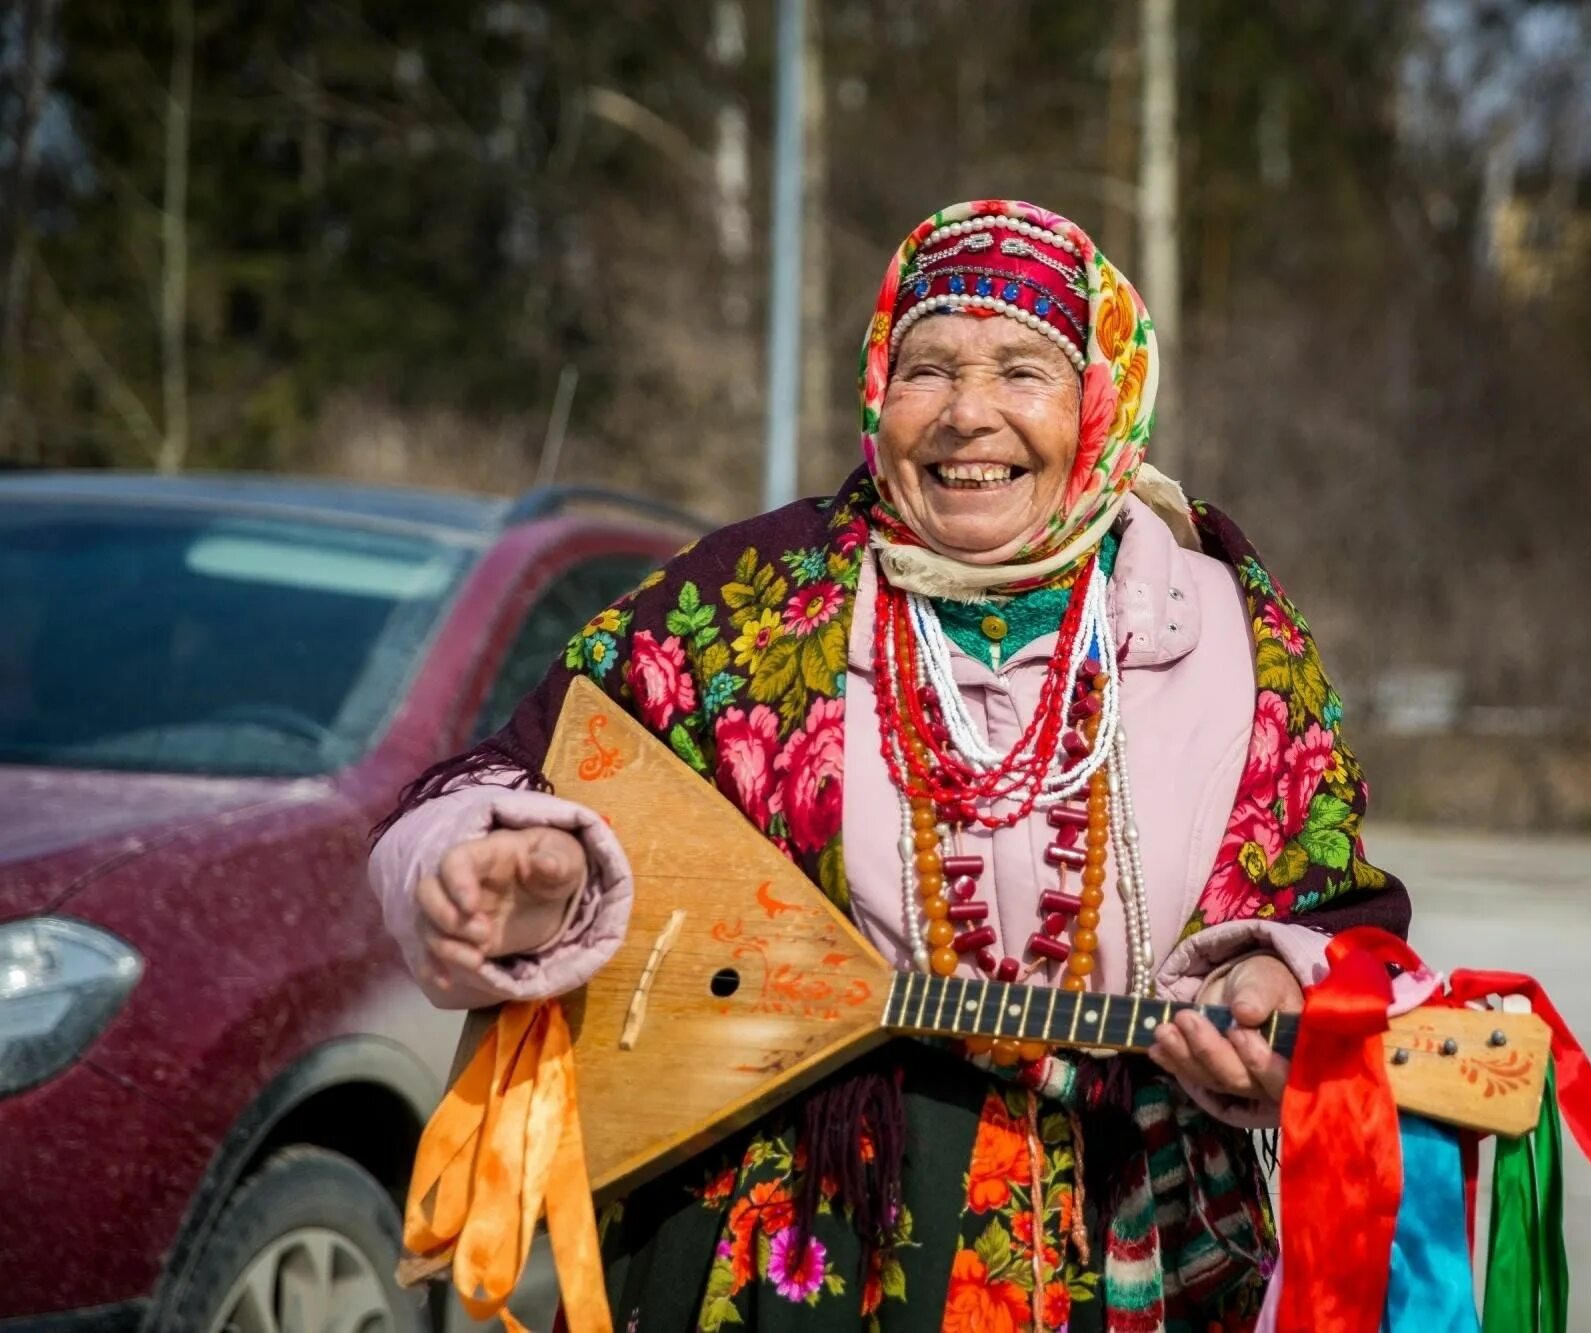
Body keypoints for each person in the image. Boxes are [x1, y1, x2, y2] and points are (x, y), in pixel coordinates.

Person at [371, 198, 1421, 1332]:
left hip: (1131, 1247)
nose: (969, 415)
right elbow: (492, 789)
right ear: (879, 389)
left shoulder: (1224, 627)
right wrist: (509, 874)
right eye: (928, 368)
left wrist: (1278, 989)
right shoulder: (748, 603)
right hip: (789, 1241)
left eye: (1022, 369)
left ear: (1102, 398)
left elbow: (1333, 909)